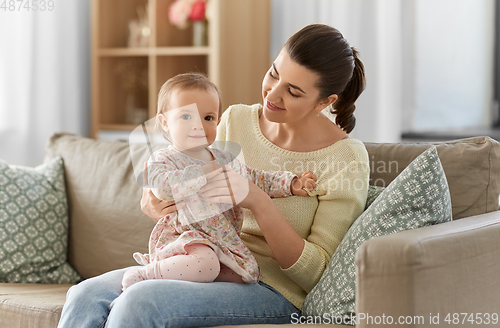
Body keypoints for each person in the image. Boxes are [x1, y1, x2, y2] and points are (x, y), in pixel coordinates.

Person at [57, 24, 370, 328]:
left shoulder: (345, 159)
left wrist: (259, 202)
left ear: (325, 102)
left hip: (274, 289)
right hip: (207, 259)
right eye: (274, 73)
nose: (272, 94)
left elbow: (317, 272)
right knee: (85, 294)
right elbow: (192, 173)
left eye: (293, 91)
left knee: (142, 301)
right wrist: (155, 201)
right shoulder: (236, 119)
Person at [121, 73, 316, 290]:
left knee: (246, 274)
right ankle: (146, 274)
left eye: (208, 118)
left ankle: (186, 282)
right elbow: (161, 187)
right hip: (184, 237)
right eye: (186, 117)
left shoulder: (223, 159)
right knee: (206, 264)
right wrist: (202, 174)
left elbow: (255, 178)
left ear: (218, 121)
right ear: (165, 123)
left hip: (220, 239)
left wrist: (290, 183)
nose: (198, 126)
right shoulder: (164, 159)